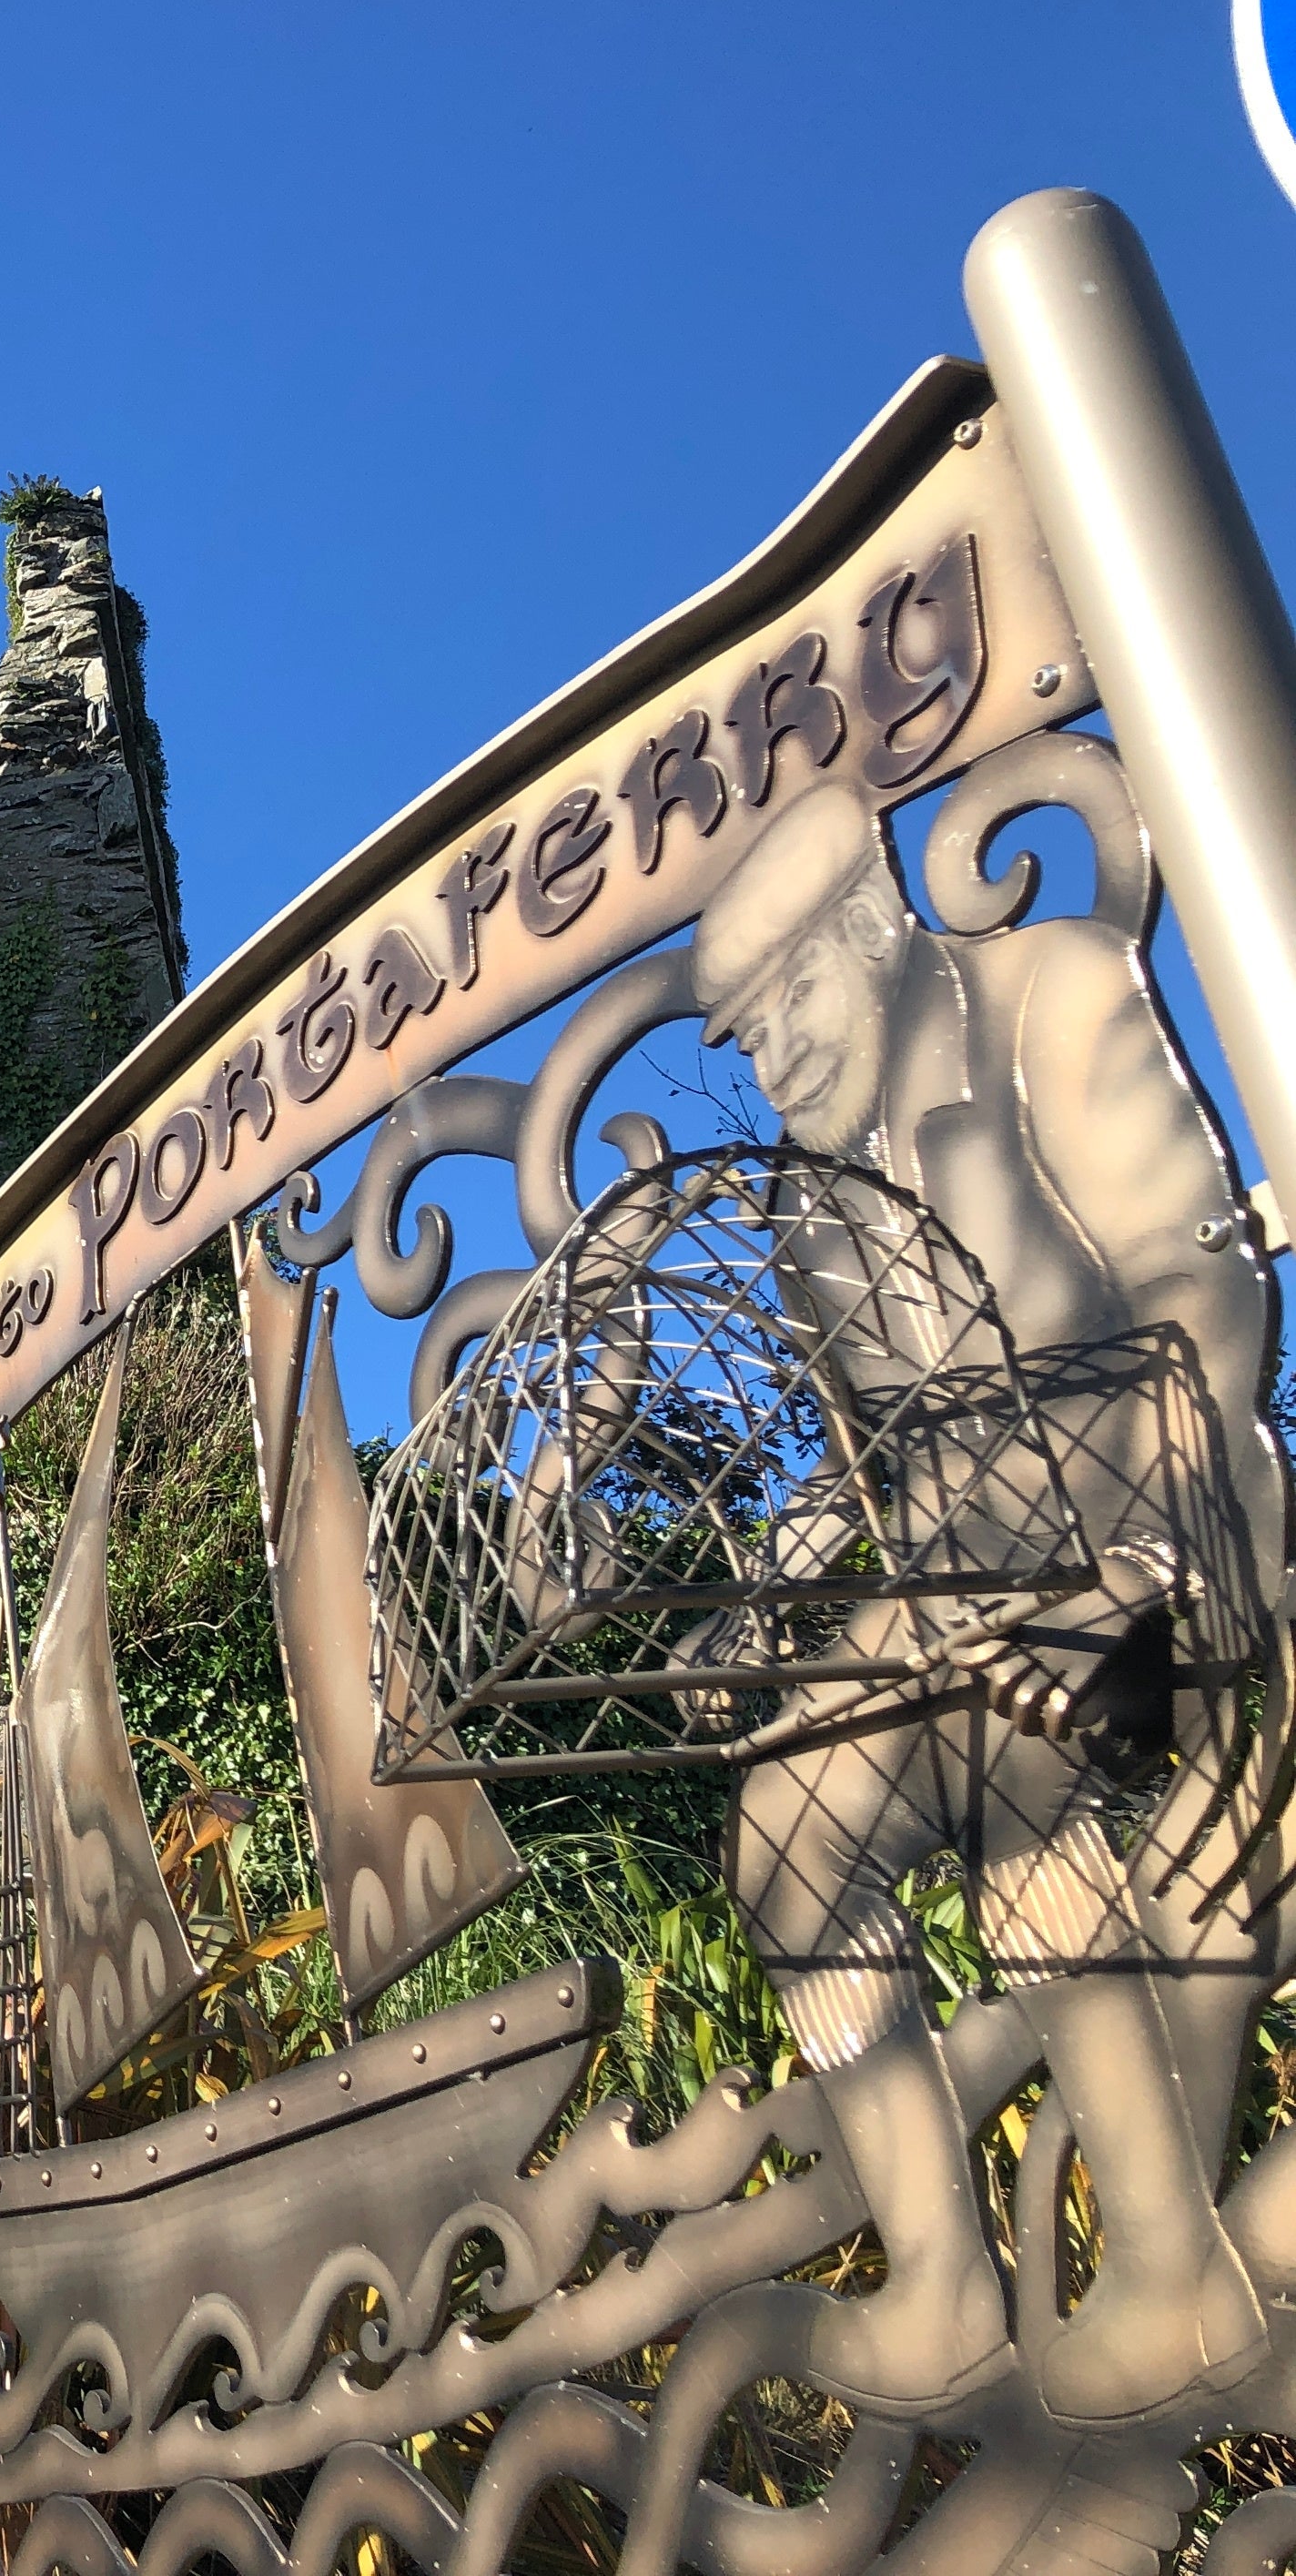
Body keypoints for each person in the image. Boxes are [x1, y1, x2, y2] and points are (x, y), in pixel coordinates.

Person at [687, 781, 1282, 2427]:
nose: (773, 1060)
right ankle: (944, 2282)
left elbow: (1204, 1291)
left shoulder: (1057, 993)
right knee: (786, 1827)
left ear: (872, 937)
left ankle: (1177, 2274)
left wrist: (1133, 1580)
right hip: (963, 1578)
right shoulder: (811, 1205)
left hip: (1166, 1540)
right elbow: (873, 1475)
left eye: (792, 1001)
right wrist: (767, 1591)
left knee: (998, 1743)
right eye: (741, 1040)